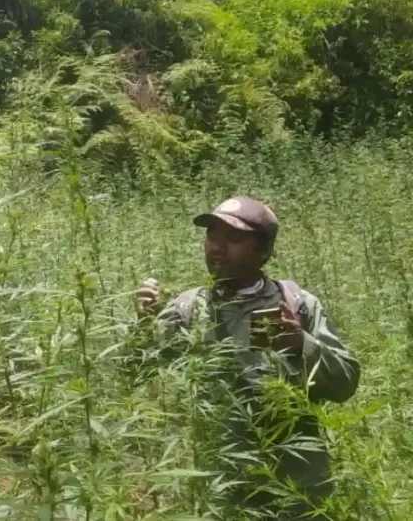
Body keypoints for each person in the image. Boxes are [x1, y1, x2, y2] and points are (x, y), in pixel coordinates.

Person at [133, 196, 360, 520]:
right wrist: (144, 325)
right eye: (212, 236)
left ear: (265, 251)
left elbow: (345, 383)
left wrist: (303, 344)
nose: (217, 247)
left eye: (233, 239)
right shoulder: (188, 309)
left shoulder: (296, 304)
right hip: (219, 488)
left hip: (295, 490)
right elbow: (138, 380)